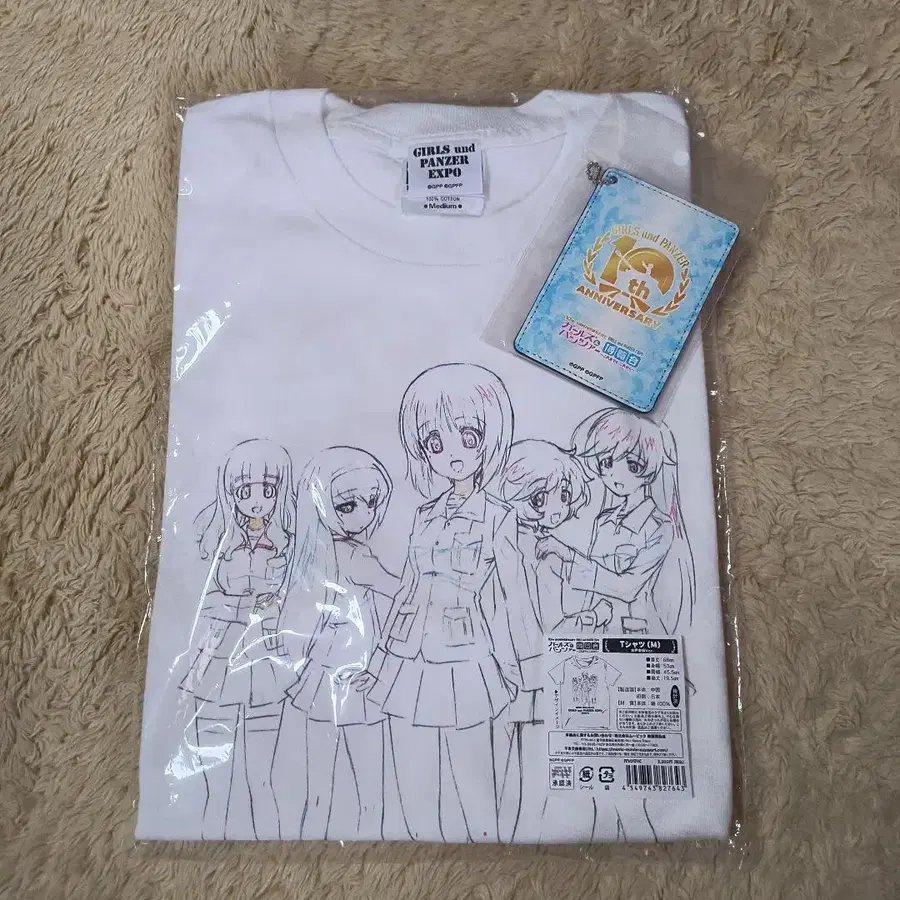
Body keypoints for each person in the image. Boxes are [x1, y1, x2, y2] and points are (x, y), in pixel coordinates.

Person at [358, 363, 534, 843]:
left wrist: (526, 671)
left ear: (489, 439)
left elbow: (514, 596)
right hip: (406, 660)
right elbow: (407, 590)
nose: (452, 454)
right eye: (435, 443)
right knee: (411, 781)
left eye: (468, 437)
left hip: (469, 659)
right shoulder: (423, 514)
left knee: (476, 784)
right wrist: (377, 664)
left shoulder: (499, 516)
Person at [180, 438, 295, 839]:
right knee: (213, 770)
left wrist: (271, 606)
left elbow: (291, 598)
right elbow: (208, 599)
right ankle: (210, 832)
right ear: (230, 493)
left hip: (265, 656)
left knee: (262, 773)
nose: (257, 500)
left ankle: (268, 834)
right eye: (245, 491)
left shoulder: (286, 544)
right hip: (219, 655)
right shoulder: (221, 543)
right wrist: (235, 605)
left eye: (269, 489)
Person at [287, 447, 399, 839]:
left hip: (325, 676)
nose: (365, 515)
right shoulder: (353, 556)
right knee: (370, 795)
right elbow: (401, 592)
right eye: (348, 505)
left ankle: (310, 842)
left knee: (320, 792)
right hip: (357, 677)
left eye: (372, 502)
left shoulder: (312, 555)